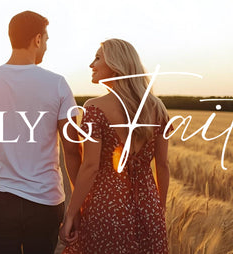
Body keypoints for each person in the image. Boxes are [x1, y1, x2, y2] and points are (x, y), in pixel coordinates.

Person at [0, 10, 82, 254]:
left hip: (0, 201)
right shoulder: (57, 84)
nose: (46, 46)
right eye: (46, 40)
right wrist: (76, 208)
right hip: (45, 202)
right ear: (37, 39)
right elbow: (72, 150)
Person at [60, 39, 171, 253]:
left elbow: (90, 166)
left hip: (106, 207)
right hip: (149, 207)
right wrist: (159, 208)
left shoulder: (94, 108)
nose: (92, 64)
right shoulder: (157, 108)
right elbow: (163, 165)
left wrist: (72, 213)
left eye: (98, 58)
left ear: (115, 65)